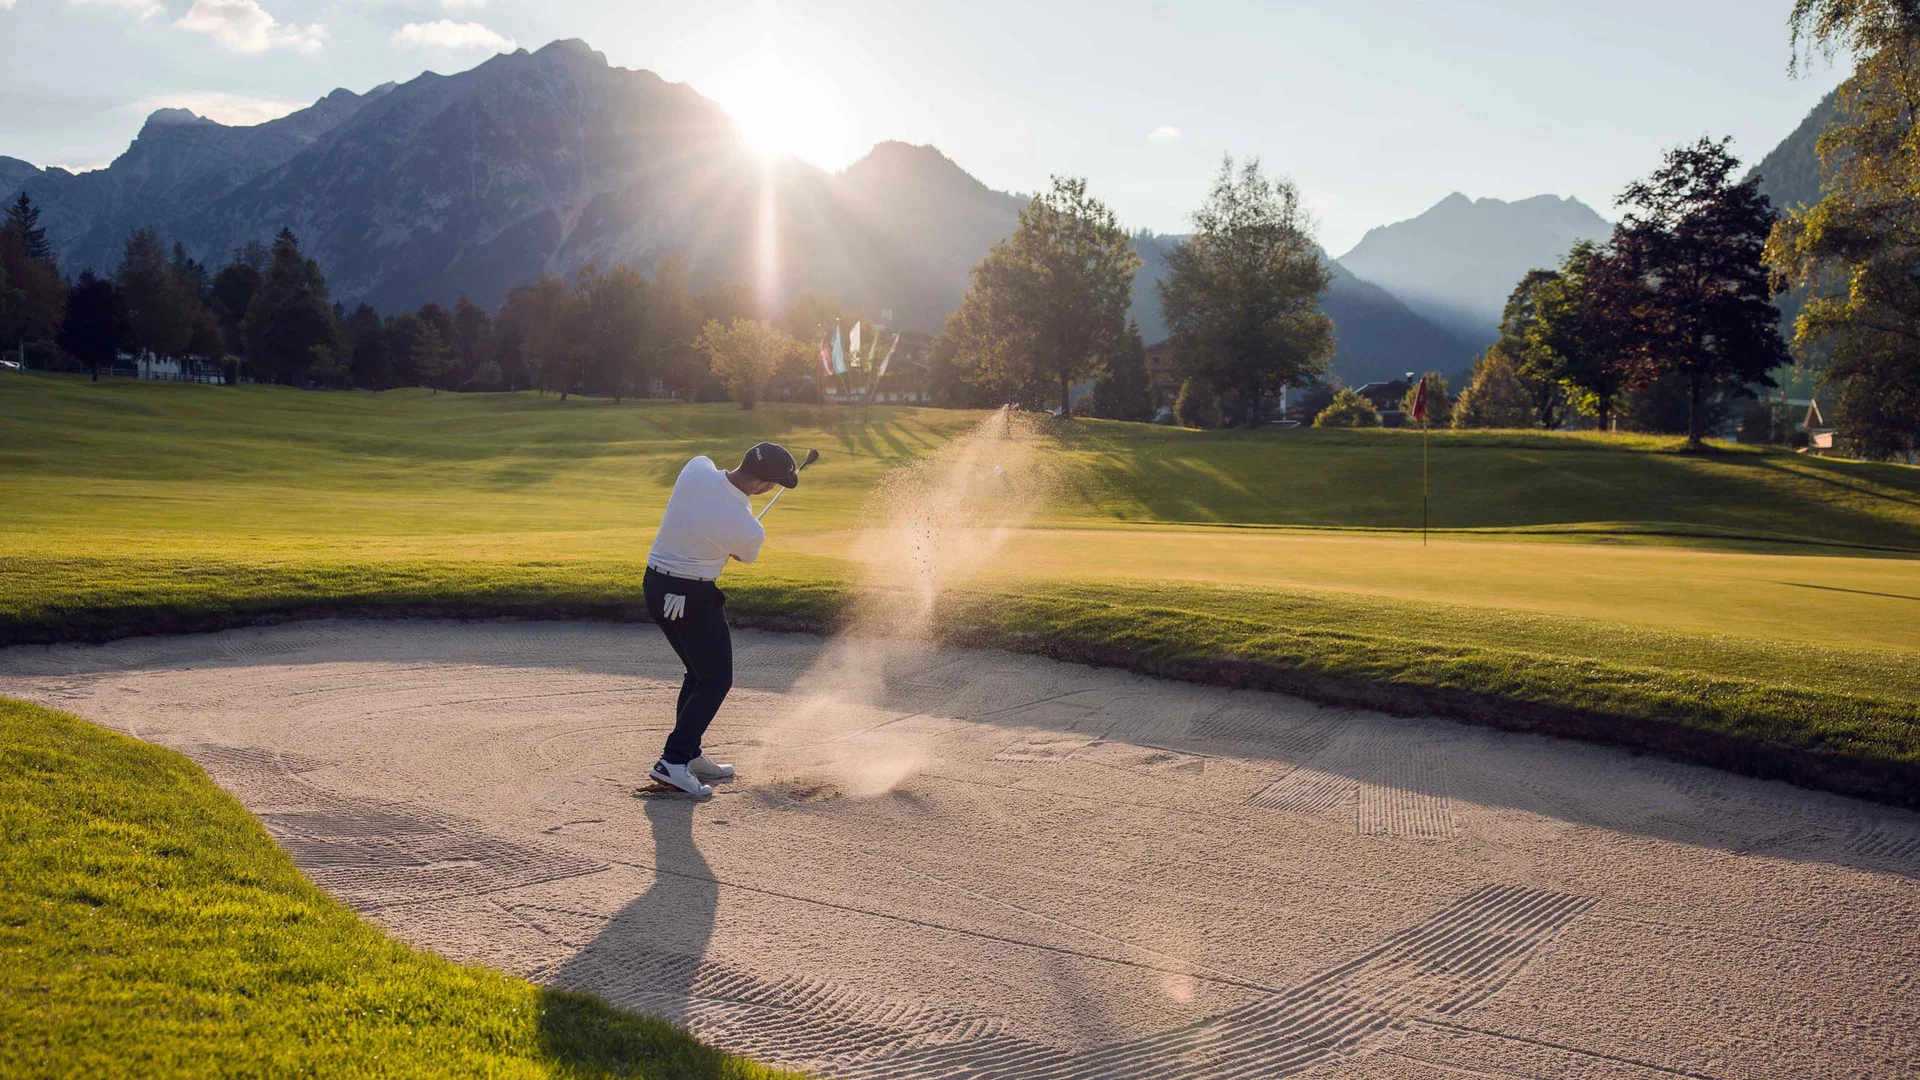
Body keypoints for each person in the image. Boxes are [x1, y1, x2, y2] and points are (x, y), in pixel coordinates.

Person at [642, 442, 800, 796]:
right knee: (715, 679)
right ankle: (674, 760)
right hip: (690, 597)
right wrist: (740, 522)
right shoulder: (749, 528)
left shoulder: (696, 467)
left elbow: (715, 503)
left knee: (698, 674)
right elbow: (744, 556)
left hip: (655, 586)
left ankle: (690, 752)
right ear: (763, 486)